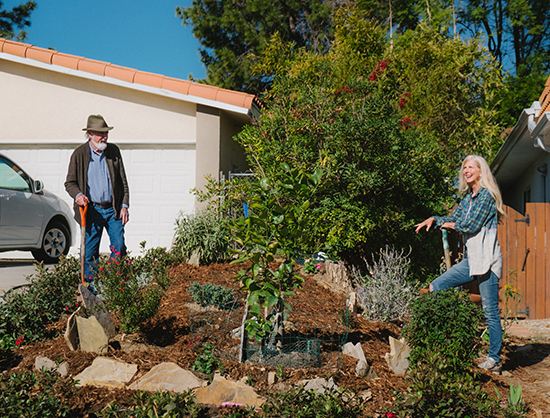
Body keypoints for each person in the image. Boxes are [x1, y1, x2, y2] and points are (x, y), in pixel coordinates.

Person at [415, 155, 505, 374]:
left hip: (488, 260)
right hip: (471, 259)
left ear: (481, 171)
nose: (466, 170)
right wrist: (435, 219)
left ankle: (494, 359)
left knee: (490, 312)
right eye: (464, 167)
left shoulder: (486, 196)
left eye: (471, 167)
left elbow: (470, 225)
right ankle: (443, 339)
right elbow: (454, 217)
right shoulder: (469, 197)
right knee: (436, 286)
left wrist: (448, 224)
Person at [65, 114, 130, 292]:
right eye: (101, 134)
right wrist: (78, 195)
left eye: (106, 133)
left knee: (118, 247)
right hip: (91, 210)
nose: (105, 137)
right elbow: (69, 183)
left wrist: (124, 205)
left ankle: (117, 287)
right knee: (89, 253)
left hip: (113, 210)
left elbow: (123, 181)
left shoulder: (113, 152)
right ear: (90, 134)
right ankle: (90, 292)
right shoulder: (79, 154)